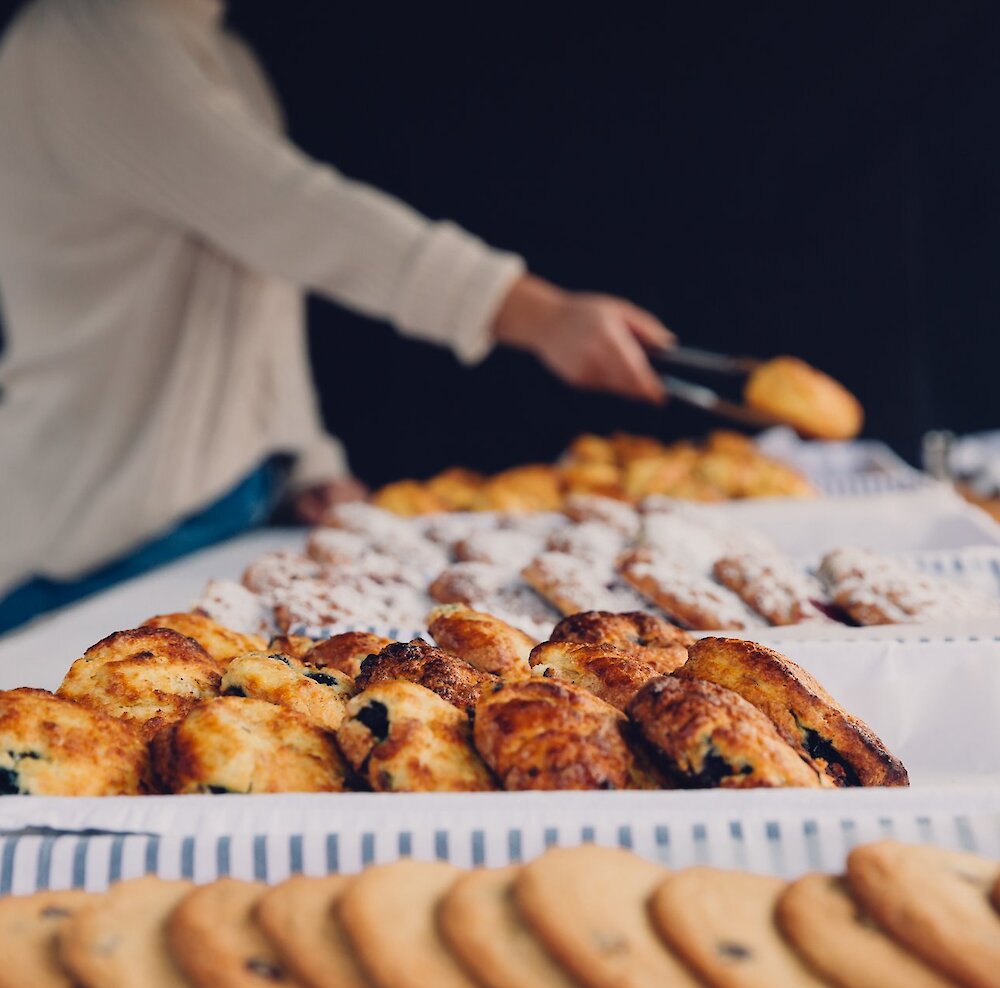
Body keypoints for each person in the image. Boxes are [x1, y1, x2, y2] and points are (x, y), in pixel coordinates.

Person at [0, 0, 673, 633]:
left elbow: (262, 271)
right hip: (86, 544)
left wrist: (305, 455)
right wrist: (539, 314)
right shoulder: (81, 39)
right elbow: (292, 215)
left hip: (236, 513)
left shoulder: (221, 53)